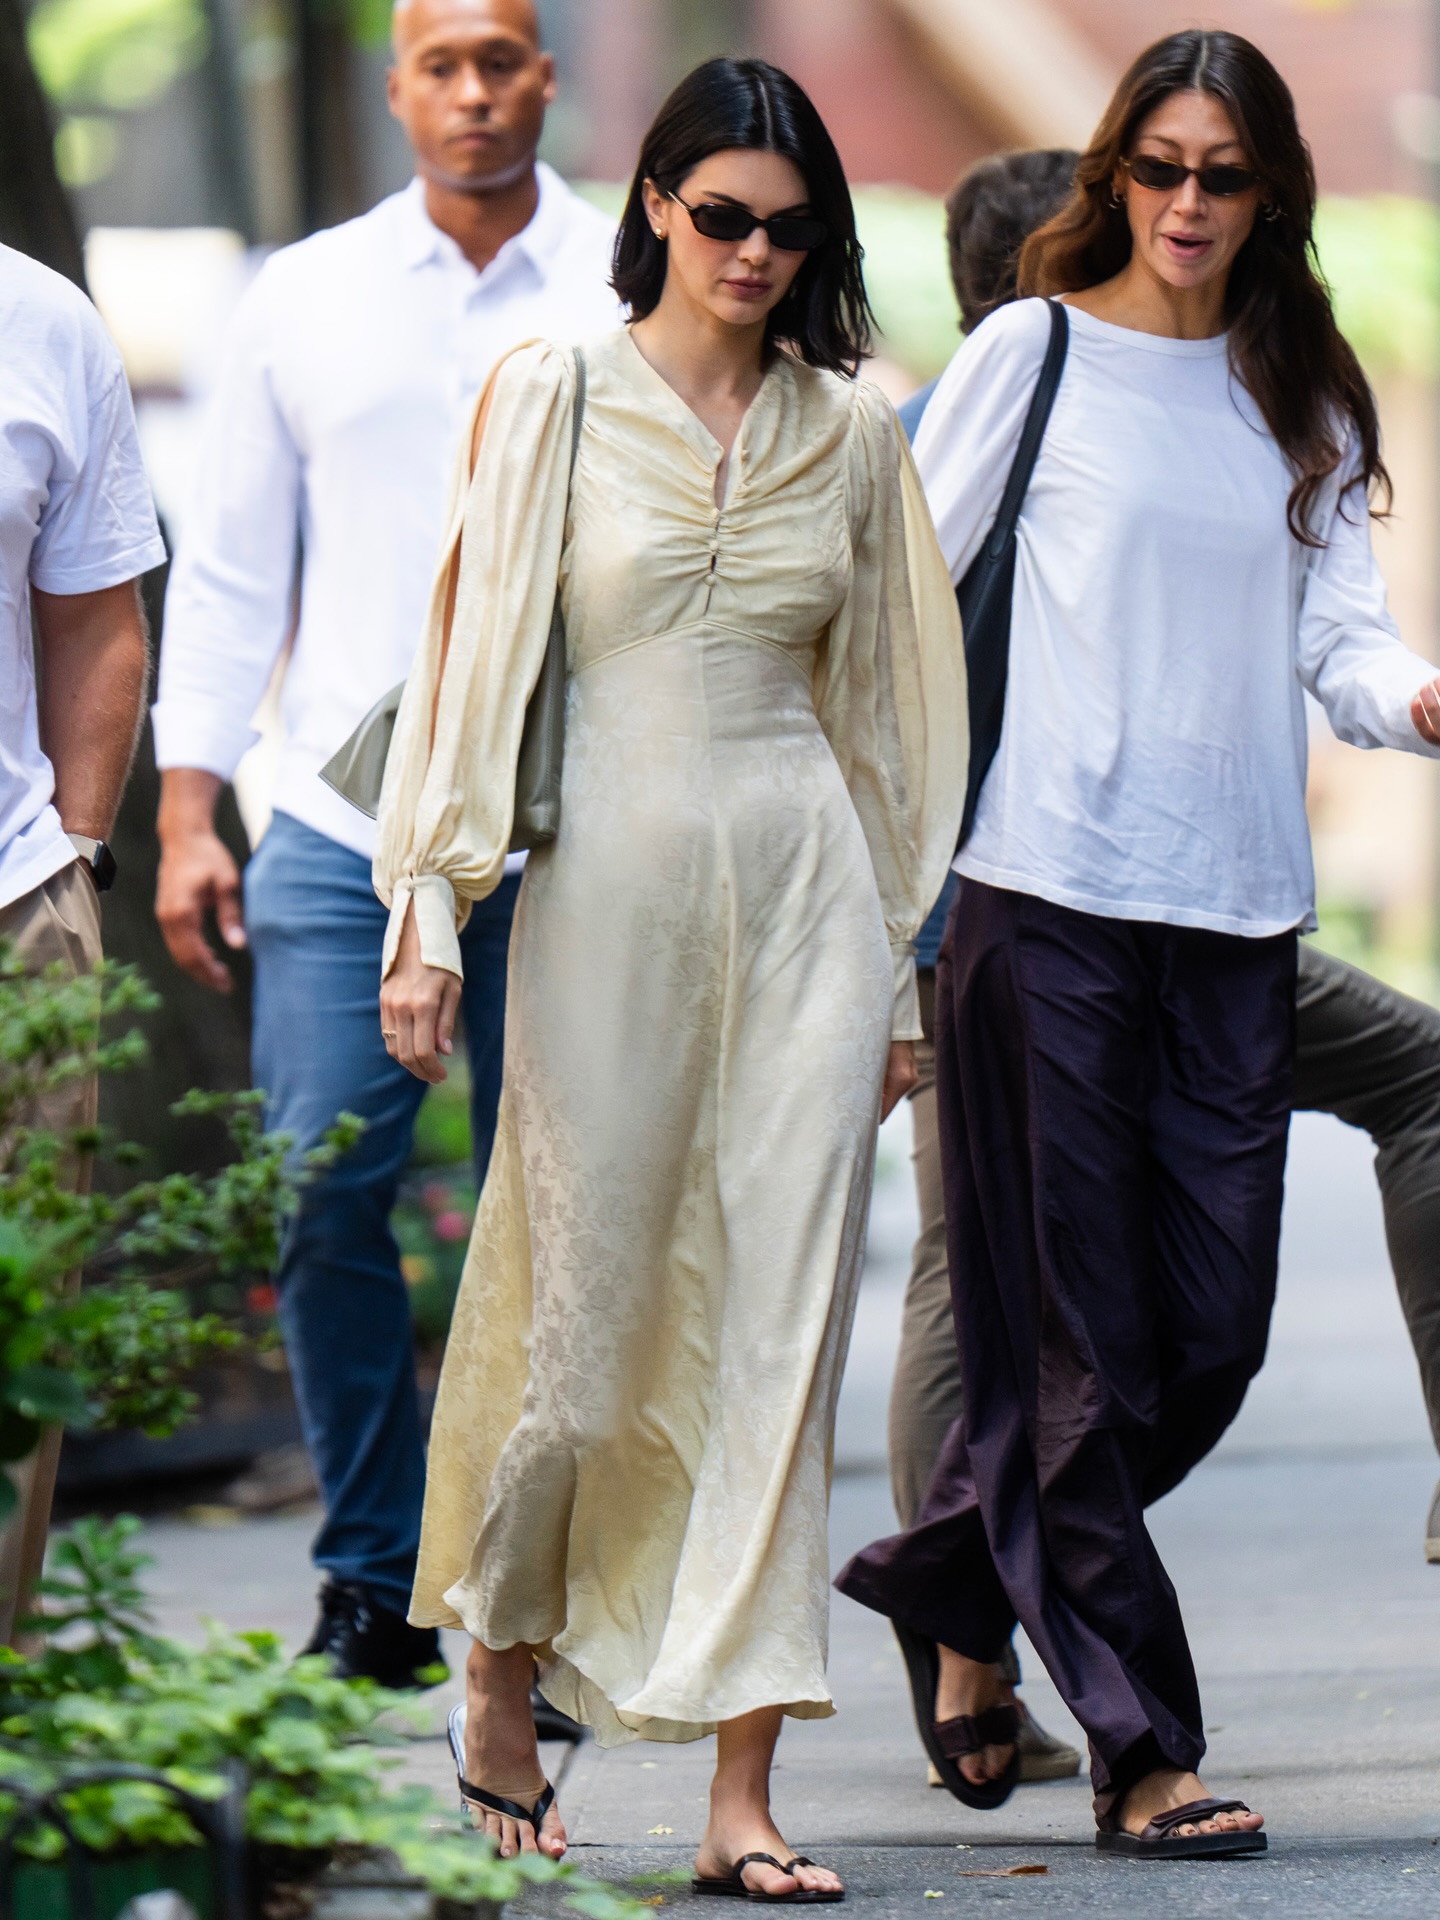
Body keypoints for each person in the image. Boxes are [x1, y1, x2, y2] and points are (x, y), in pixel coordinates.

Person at [837, 29, 1440, 1860]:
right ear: (1116, 173)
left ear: (1273, 193)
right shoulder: (1033, 351)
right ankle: (1142, 1744)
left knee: (1212, 1333)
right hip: (1050, 899)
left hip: (1241, 910)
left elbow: (1341, 639)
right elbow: (910, 609)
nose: (1190, 204)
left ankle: (949, 1566)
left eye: (1225, 174)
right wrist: (884, 905)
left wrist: (1417, 694)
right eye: (1161, 168)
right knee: (1082, 1344)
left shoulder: (1304, 384)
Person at [373, 55, 965, 1894]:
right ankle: (501, 1669)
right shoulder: (549, 393)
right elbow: (472, 661)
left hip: (807, 905)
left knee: (780, 1343)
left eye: (791, 229)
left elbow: (892, 724)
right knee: (584, 1325)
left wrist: (899, 976)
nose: (755, 251)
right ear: (651, 207)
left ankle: (738, 1802)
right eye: (722, 215)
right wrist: (427, 902)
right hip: (605, 903)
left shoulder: (853, 433)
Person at [151, 0, 618, 1693]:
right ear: (399, 80)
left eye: (504, 59)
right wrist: (192, 812)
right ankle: (370, 1574)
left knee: (552, 1217)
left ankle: (524, 1610)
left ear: (545, 76)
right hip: (341, 827)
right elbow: (225, 578)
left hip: (568, 832)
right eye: (443, 62)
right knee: (322, 1187)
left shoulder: (627, 279)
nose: (476, 92)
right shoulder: (303, 295)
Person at [0, 241, 162, 1641]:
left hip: (16, 905)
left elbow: (98, 612)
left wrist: (82, 854)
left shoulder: (41, 320)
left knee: (15, 1340)